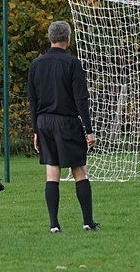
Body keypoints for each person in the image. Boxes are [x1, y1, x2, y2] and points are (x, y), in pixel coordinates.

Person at [28, 21, 99, 232]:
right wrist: (89, 130)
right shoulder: (72, 63)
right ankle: (88, 222)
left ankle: (54, 225)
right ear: (68, 39)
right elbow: (81, 99)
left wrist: (35, 130)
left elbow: (32, 100)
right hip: (66, 122)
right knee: (79, 171)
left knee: (52, 173)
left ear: (50, 38)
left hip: (44, 122)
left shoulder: (36, 64)